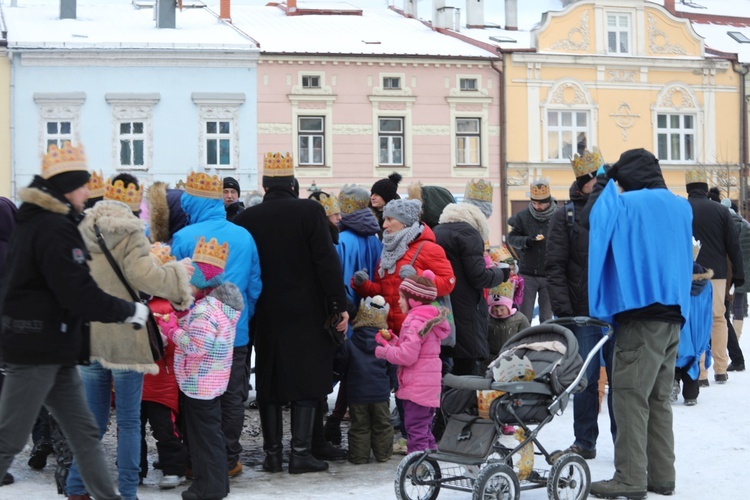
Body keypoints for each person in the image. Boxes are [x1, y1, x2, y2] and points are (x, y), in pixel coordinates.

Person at [0, 141, 150, 500]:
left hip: (56, 347)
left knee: (84, 433)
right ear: (67, 188)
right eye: (82, 184)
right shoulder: (53, 227)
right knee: (9, 439)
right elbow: (77, 292)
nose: (87, 191)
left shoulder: (44, 221)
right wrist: (130, 310)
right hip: (34, 349)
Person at [65, 176, 194, 500]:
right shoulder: (131, 231)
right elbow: (144, 276)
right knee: (128, 420)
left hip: (91, 335)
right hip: (126, 335)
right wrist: (178, 276)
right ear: (135, 207)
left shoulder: (81, 229)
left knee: (91, 420)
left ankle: (77, 487)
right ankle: (126, 491)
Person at [583, 148, 693, 499]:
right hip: (673, 316)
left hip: (640, 313)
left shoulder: (627, 204)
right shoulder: (680, 205)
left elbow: (592, 220)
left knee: (630, 397)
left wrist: (603, 180)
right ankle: (662, 477)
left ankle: (629, 479)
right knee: (658, 399)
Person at [233, 152, 349, 475]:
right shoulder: (310, 211)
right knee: (307, 377)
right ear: (293, 184)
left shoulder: (247, 219)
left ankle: (272, 456)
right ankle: (300, 454)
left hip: (265, 311)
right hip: (307, 311)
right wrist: (339, 305)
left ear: (266, 185)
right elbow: (326, 262)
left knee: (269, 378)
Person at [171, 171, 262, 478]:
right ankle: (229, 458)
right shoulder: (245, 236)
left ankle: (197, 459)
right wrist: (240, 318)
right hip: (234, 333)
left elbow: (174, 289)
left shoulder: (183, 237)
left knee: (195, 397)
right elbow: (254, 285)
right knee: (232, 396)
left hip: (194, 331)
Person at [156, 237, 243, 500]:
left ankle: (209, 487)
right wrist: (183, 319)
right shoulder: (217, 308)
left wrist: (171, 329)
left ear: (202, 283)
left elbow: (196, 347)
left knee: (204, 438)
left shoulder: (206, 311)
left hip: (199, 383)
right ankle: (215, 484)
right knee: (209, 436)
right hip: (211, 381)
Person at [545, 147, 615, 460]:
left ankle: (624, 444)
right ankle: (585, 442)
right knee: (584, 381)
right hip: (583, 312)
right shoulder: (565, 215)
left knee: (621, 381)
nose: (602, 184)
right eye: (597, 180)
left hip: (617, 310)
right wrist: (565, 312)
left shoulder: (617, 207)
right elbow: (555, 266)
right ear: (585, 182)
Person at [325, 184, 383, 444]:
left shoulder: (341, 240)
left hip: (345, 314)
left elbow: (335, 278)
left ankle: (333, 421)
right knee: (358, 370)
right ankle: (347, 420)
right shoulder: (374, 239)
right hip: (372, 314)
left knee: (339, 368)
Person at [434, 179, 508, 376]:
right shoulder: (469, 234)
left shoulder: (440, 230)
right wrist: (502, 273)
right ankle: (461, 405)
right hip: (465, 306)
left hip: (445, 303)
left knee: (446, 362)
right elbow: (478, 277)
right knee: (466, 363)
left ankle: (446, 405)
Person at [352, 198, 455, 335]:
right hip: (390, 330)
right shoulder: (388, 250)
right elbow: (384, 291)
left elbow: (448, 283)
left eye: (389, 219)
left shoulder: (429, 248)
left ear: (405, 222)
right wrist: (364, 285)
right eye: (384, 219)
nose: (384, 225)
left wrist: (416, 275)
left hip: (418, 331)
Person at [374, 270, 450, 454]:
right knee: (423, 428)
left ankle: (418, 466)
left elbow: (407, 356)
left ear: (414, 300)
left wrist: (384, 351)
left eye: (401, 297)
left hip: (417, 386)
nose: (398, 302)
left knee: (415, 429)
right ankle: (431, 460)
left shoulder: (414, 321)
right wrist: (392, 341)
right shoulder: (427, 319)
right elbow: (413, 347)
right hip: (426, 385)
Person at [685, 169, 744, 386]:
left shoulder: (683, 209)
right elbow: (733, 246)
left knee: (695, 320)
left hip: (691, 272)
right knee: (718, 319)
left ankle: (700, 371)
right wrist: (738, 274)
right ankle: (721, 368)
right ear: (705, 189)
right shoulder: (721, 210)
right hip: (718, 273)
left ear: (688, 189)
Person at [139, 243, 190, 489]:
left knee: (156, 428)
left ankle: (143, 468)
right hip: (157, 381)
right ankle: (171, 469)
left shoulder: (166, 308)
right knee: (161, 429)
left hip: (154, 380)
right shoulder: (167, 307)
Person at [334, 295, 396, 464]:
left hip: (357, 396)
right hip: (380, 395)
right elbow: (392, 368)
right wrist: (390, 385)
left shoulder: (350, 344)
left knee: (359, 427)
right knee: (382, 426)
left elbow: (341, 367)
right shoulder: (385, 344)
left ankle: (359, 456)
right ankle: (383, 454)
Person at [507, 178, 557, 323]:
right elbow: (512, 238)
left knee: (547, 316)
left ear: (548, 201)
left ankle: (545, 342)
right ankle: (525, 343)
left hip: (550, 273)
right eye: (534, 202)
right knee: (524, 315)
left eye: (541, 203)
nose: (537, 206)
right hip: (527, 273)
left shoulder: (557, 215)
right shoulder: (523, 216)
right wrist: (527, 241)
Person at [721, 198, 748, 372]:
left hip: (727, 269)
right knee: (738, 303)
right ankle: (735, 338)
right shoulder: (745, 225)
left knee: (724, 308)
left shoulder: (724, 223)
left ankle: (731, 341)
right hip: (744, 269)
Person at [484, 281, 530, 367]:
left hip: (513, 357)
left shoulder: (519, 319)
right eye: (495, 310)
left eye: (502, 309)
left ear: (508, 306)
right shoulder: (487, 319)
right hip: (491, 358)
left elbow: (527, 337)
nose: (499, 313)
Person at [370, 172, 402, 237]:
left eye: (377, 195)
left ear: (387, 197)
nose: (372, 197)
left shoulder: (400, 217)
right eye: (372, 194)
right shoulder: (366, 215)